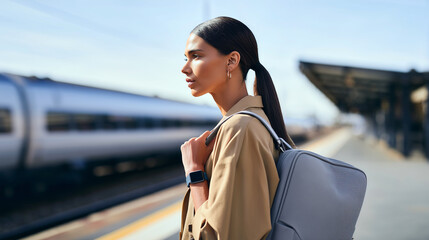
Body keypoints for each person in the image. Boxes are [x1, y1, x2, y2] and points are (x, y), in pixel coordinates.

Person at [180, 16, 296, 240]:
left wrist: (195, 172)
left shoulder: (240, 128)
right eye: (185, 58)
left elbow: (223, 236)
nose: (185, 68)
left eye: (196, 56)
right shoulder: (245, 122)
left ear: (232, 61)